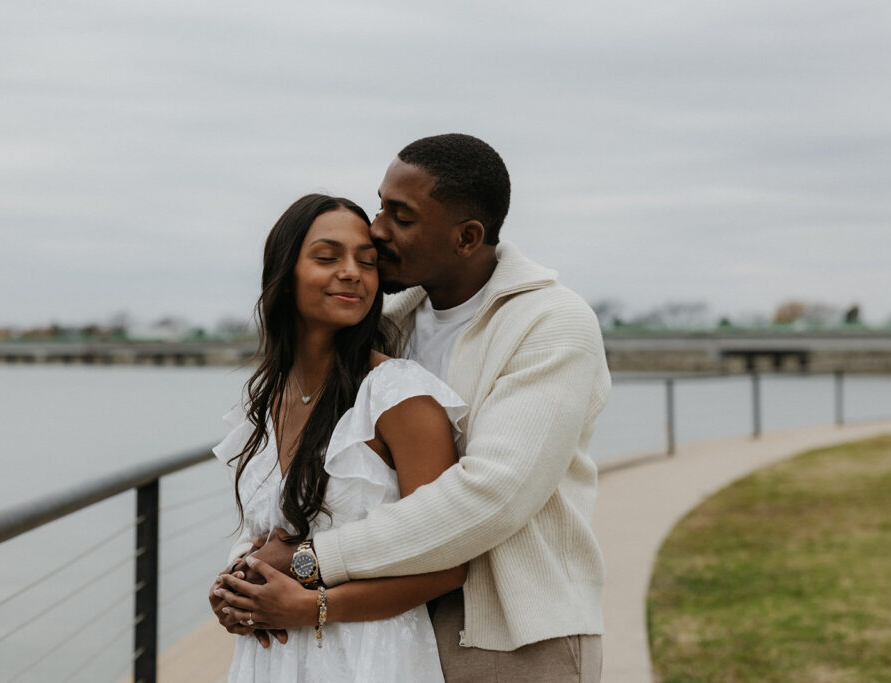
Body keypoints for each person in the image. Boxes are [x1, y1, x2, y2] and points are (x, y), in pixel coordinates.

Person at [211, 134, 611, 682]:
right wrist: (245, 574)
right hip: (387, 628)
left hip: (509, 638)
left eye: (400, 216)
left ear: (466, 237)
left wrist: (310, 562)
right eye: (380, 205)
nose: (376, 229)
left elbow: (491, 495)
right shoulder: (385, 324)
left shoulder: (550, 326)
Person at [210, 193, 470, 682]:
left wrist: (311, 607)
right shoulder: (263, 400)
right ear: (284, 276)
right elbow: (267, 539)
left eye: (366, 262)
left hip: (371, 660)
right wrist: (232, 589)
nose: (352, 272)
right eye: (327, 257)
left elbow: (446, 563)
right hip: (271, 661)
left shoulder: (397, 395)